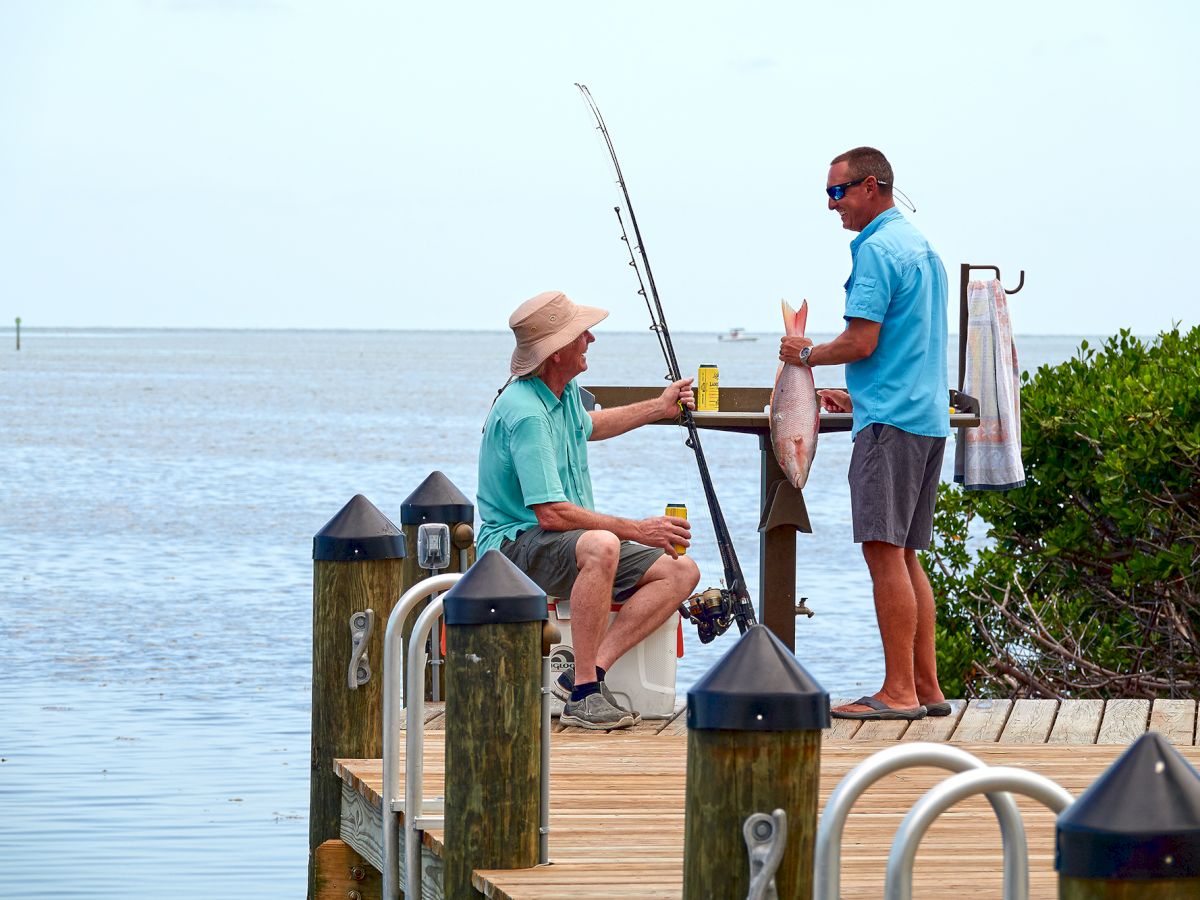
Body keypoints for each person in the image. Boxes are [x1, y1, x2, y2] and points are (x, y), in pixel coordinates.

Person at [780, 147, 952, 721]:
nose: (833, 206)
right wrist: (859, 394)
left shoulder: (878, 250)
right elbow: (907, 347)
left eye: (839, 193)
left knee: (883, 553)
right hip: (924, 419)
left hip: (890, 429)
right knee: (907, 556)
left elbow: (861, 342)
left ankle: (897, 692)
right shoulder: (922, 248)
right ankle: (926, 688)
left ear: (871, 186)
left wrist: (804, 354)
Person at [477, 290, 701, 730]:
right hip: (512, 550)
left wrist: (658, 407)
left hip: (554, 543)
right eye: (582, 334)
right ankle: (584, 692)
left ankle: (586, 678)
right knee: (601, 544)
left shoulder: (561, 393)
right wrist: (637, 528)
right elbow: (551, 515)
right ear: (557, 352)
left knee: (682, 571)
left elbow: (590, 426)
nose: (591, 340)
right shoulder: (526, 413)